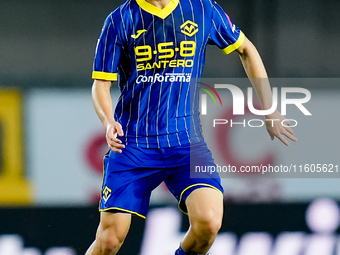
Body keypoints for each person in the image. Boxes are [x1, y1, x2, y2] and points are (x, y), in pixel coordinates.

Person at [86, 0, 297, 254]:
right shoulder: (120, 20)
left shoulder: (202, 9)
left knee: (208, 222)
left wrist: (269, 108)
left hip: (185, 141)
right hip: (133, 144)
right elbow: (100, 84)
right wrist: (109, 121)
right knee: (110, 240)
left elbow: (247, 49)